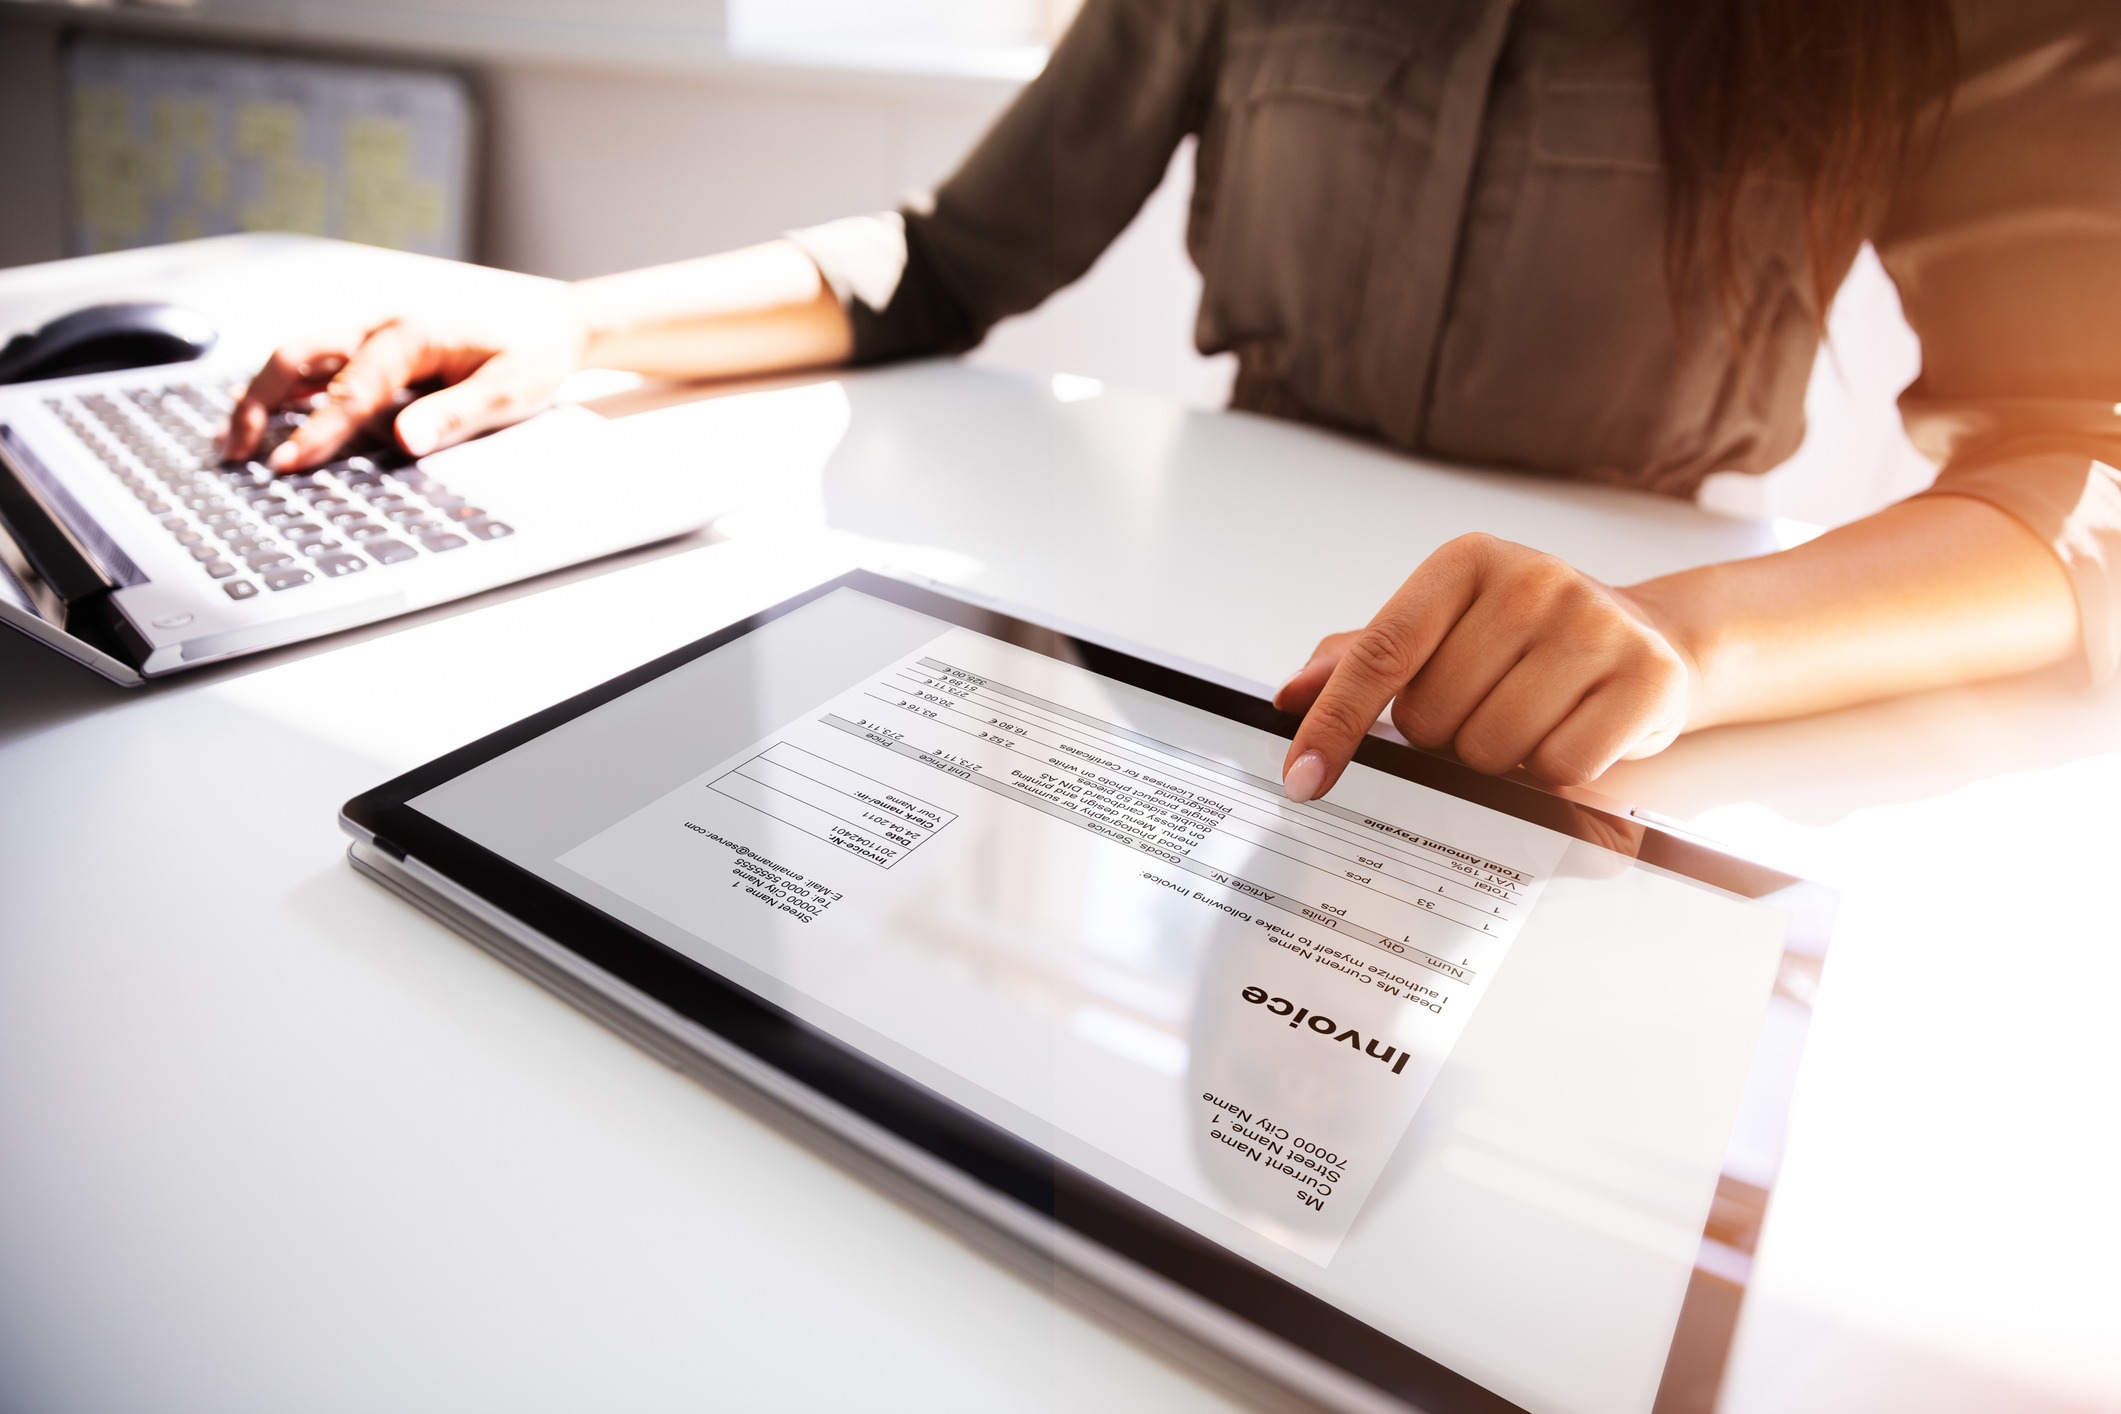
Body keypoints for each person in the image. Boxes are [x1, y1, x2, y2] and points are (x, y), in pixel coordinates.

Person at [221, 0, 2120, 801]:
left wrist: (1677, 641)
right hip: (1228, 683)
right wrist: (573, 324)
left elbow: (2076, 471)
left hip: (1602, 744)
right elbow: (952, 258)